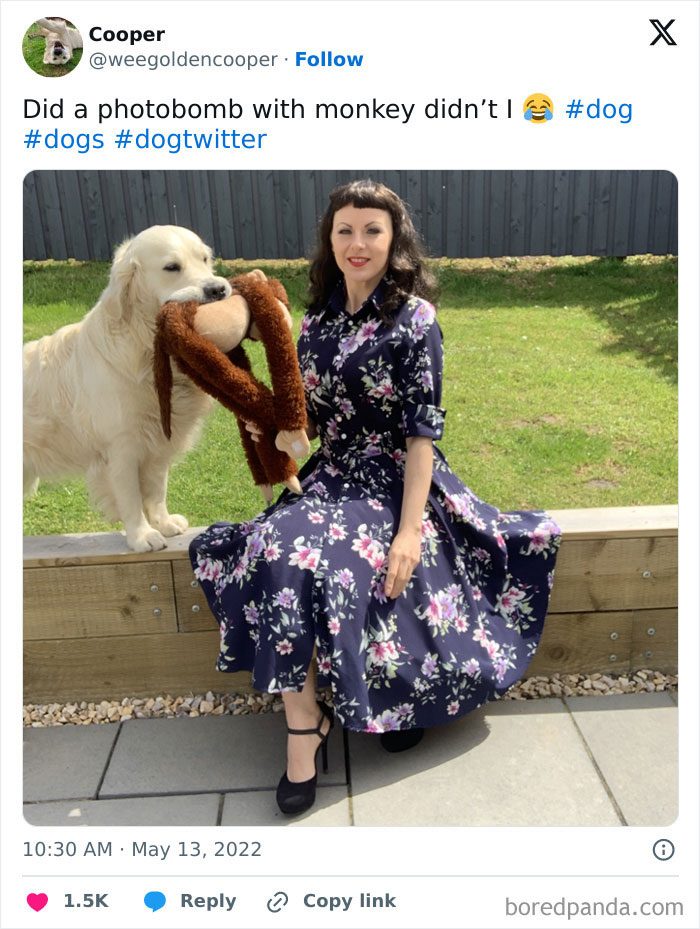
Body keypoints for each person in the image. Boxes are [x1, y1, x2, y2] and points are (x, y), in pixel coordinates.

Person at [190, 179, 561, 815]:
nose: (357, 243)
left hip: (399, 480)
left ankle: (396, 701)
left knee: (362, 563)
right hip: (333, 476)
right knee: (277, 550)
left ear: (395, 241)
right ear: (329, 241)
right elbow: (309, 422)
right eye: (345, 231)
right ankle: (304, 724)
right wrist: (270, 425)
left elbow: (421, 435)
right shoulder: (317, 322)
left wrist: (410, 532)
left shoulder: (416, 320)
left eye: (372, 231)